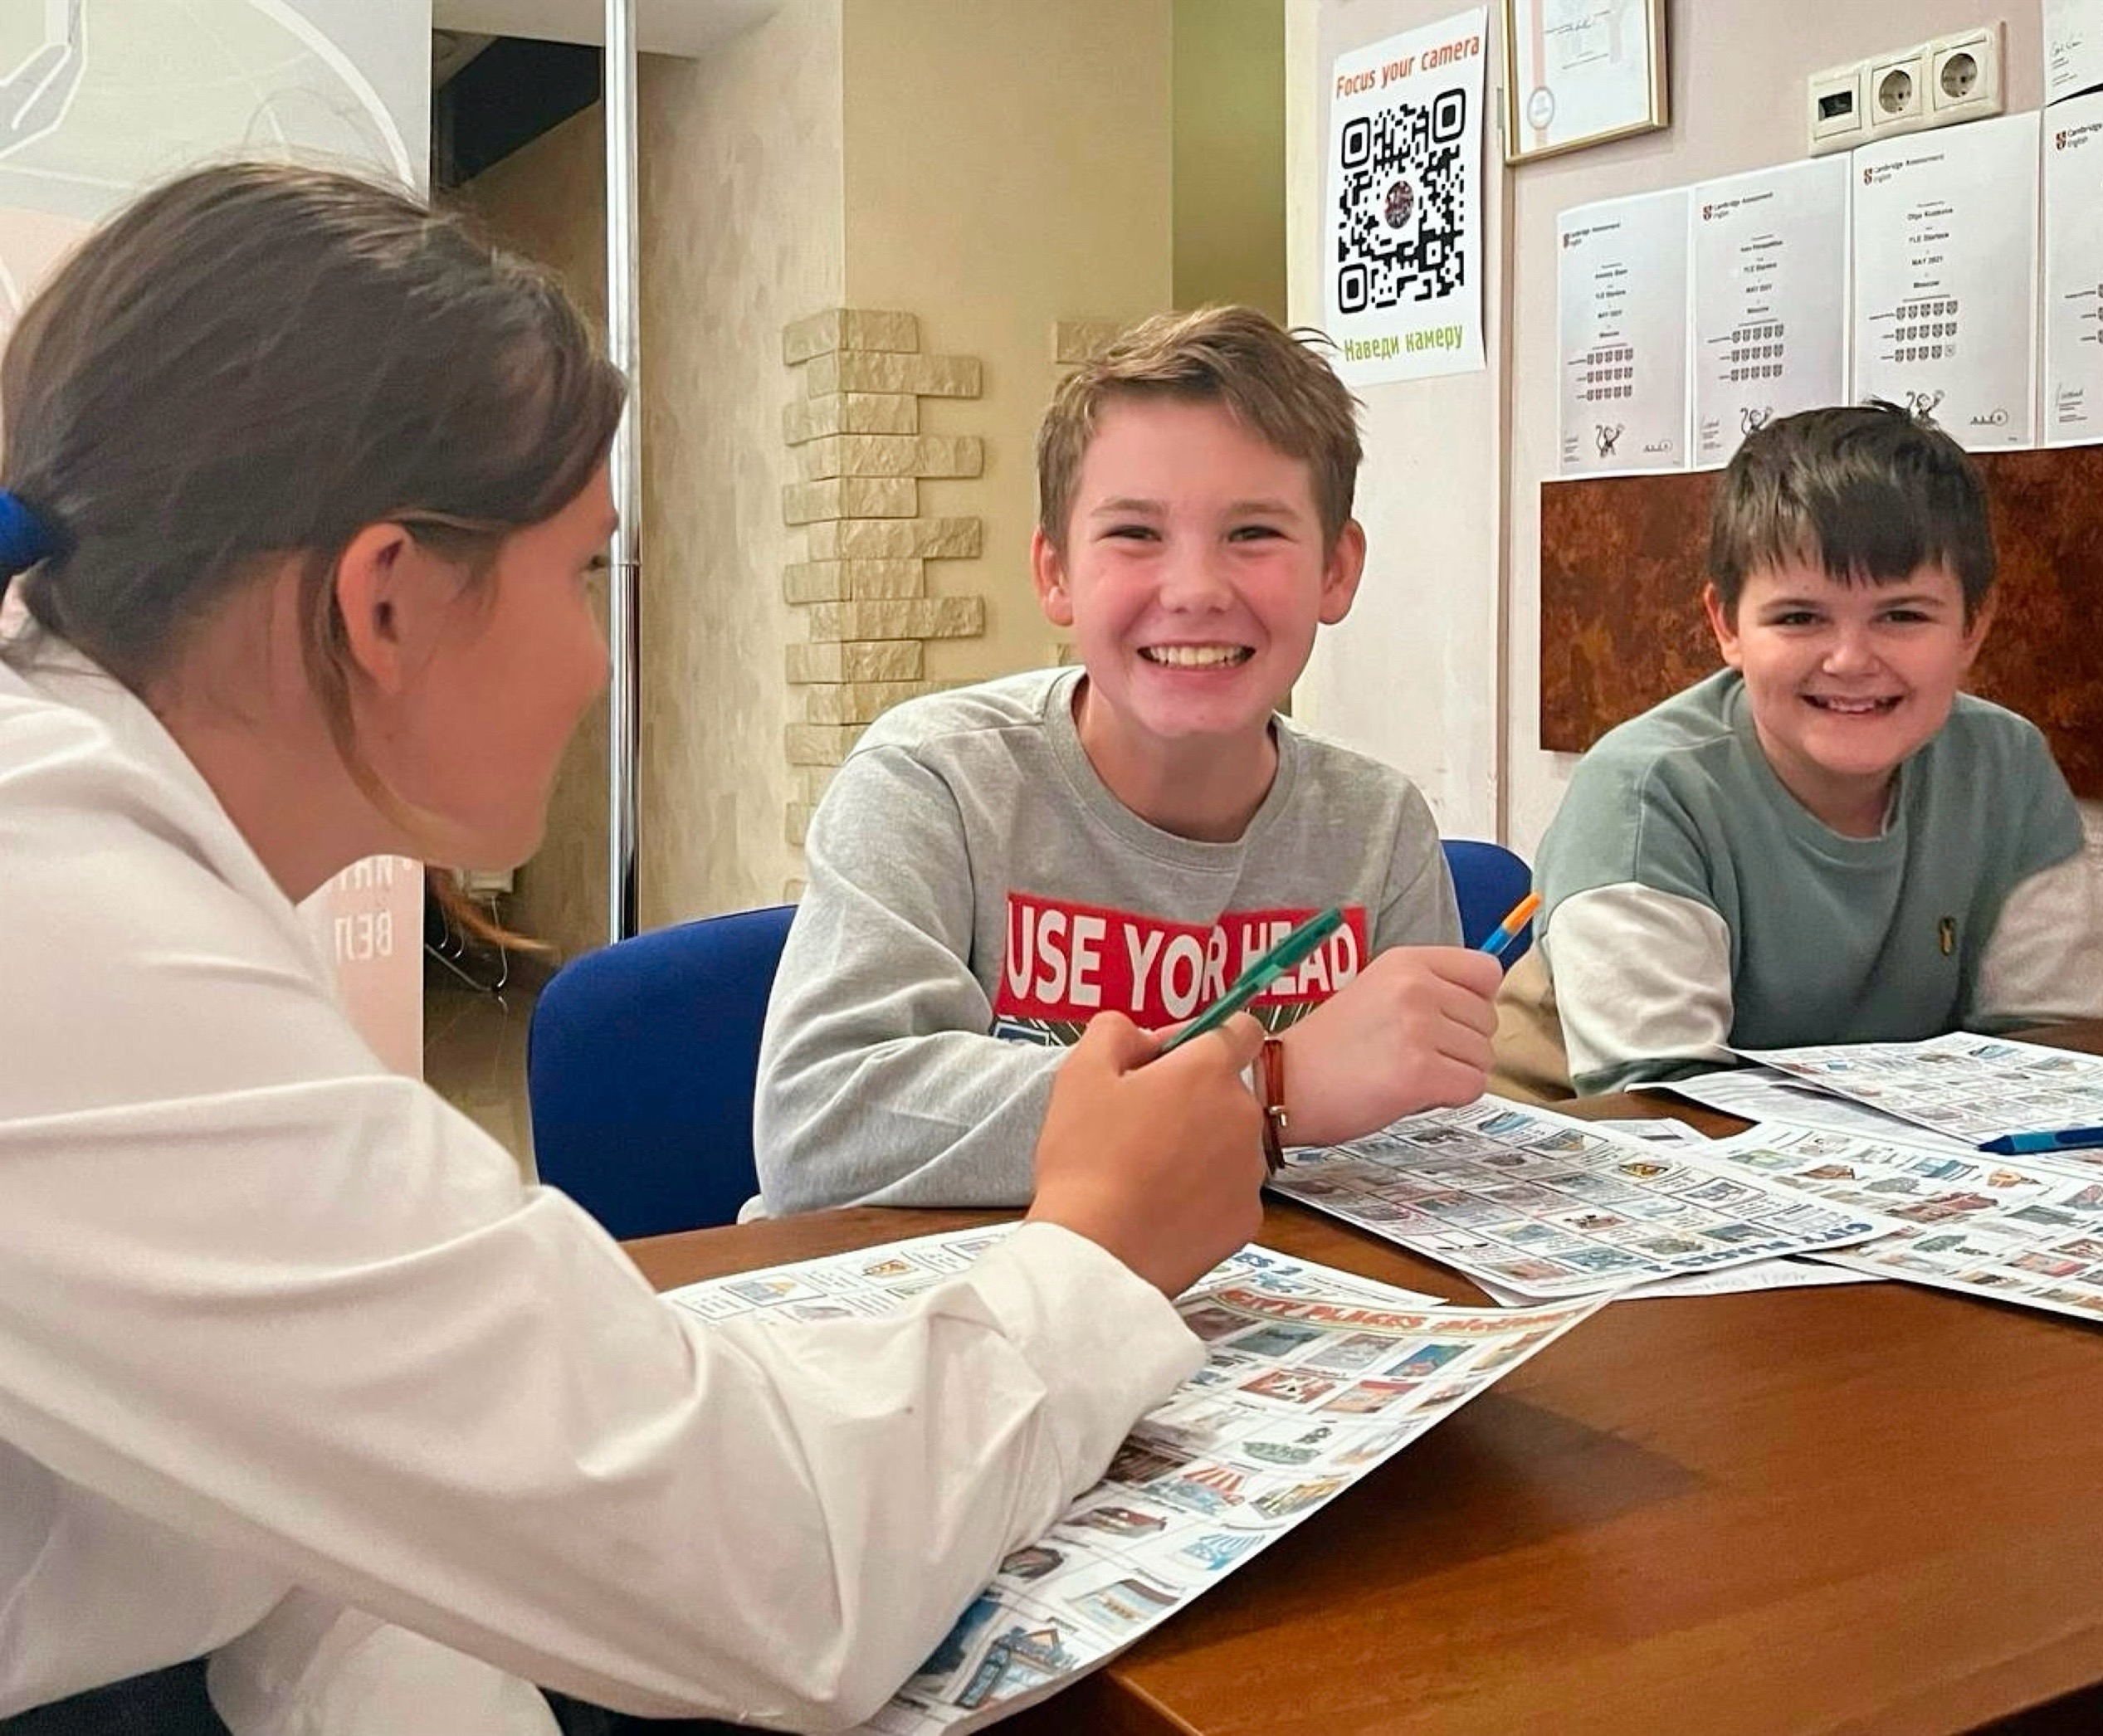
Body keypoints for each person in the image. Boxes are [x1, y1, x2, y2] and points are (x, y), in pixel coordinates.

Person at [0, 163, 1275, 1736]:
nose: (600, 655)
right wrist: (1094, 1246)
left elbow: (339, 1519)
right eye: (581, 569)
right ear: (384, 598)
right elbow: (775, 1576)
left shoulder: (107, 854)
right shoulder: (67, 935)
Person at [755, 306, 1502, 1215]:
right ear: (1055, 573)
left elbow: (1423, 1141)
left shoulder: (1377, 824)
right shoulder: (932, 781)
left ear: (1335, 571)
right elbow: (819, 1124)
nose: (1193, 590)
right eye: (1135, 535)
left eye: (1254, 533)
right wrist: (1272, 1083)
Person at [1493, 401, 2103, 1100]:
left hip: (1861, 1166)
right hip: (1594, 1138)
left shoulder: (2006, 763)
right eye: (1799, 618)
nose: (1849, 660)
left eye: (1902, 616)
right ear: (1727, 626)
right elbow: (1660, 1098)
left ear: (1973, 625)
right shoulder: (1647, 790)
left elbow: (2054, 1047)